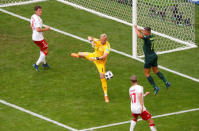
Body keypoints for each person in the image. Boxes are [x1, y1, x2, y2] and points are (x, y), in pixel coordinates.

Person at [71, 34, 111, 103]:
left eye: (103, 40)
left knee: (102, 76)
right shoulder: (97, 41)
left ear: (106, 40)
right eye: (101, 39)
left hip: (100, 62)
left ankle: (106, 95)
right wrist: (91, 42)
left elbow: (104, 56)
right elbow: (89, 37)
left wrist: (96, 58)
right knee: (80, 54)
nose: (101, 41)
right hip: (93, 56)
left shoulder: (107, 46)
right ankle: (78, 56)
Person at [134, 25, 170, 95]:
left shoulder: (146, 38)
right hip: (154, 56)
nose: (143, 32)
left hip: (149, 58)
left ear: (147, 32)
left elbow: (140, 36)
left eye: (144, 31)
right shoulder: (152, 36)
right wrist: (140, 30)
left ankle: (155, 87)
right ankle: (166, 82)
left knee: (147, 74)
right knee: (156, 71)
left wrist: (135, 29)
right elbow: (144, 33)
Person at [30, 6, 50, 72]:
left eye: (41, 10)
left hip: (34, 37)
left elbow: (31, 26)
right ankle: (36, 64)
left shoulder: (32, 16)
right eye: (39, 11)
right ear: (35, 11)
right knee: (46, 50)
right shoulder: (38, 19)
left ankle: (44, 64)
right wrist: (46, 29)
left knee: (42, 49)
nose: (40, 12)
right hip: (39, 38)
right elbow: (38, 30)